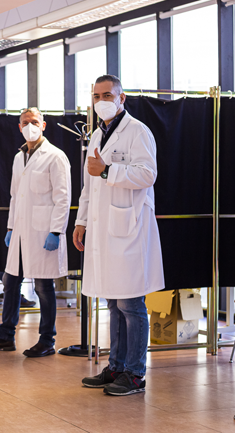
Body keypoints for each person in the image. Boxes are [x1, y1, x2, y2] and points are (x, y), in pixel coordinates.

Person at [75, 75, 164, 396]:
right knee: (113, 302)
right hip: (103, 231)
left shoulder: (138, 131)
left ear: (122, 97)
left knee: (131, 305)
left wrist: (110, 171)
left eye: (107, 94)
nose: (102, 100)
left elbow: (147, 174)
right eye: (96, 95)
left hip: (129, 230)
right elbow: (89, 184)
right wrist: (81, 221)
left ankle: (136, 373)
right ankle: (116, 366)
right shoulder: (98, 133)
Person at [0, 107, 71, 357]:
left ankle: (47, 340)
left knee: (43, 286)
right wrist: (10, 227)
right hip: (19, 232)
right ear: (19, 127)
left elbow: (63, 198)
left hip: (43, 233)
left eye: (35, 121)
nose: (30, 125)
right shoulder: (19, 157)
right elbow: (15, 196)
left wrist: (56, 231)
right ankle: (6, 335)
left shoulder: (56, 156)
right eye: (25, 122)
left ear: (43, 125)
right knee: (11, 282)